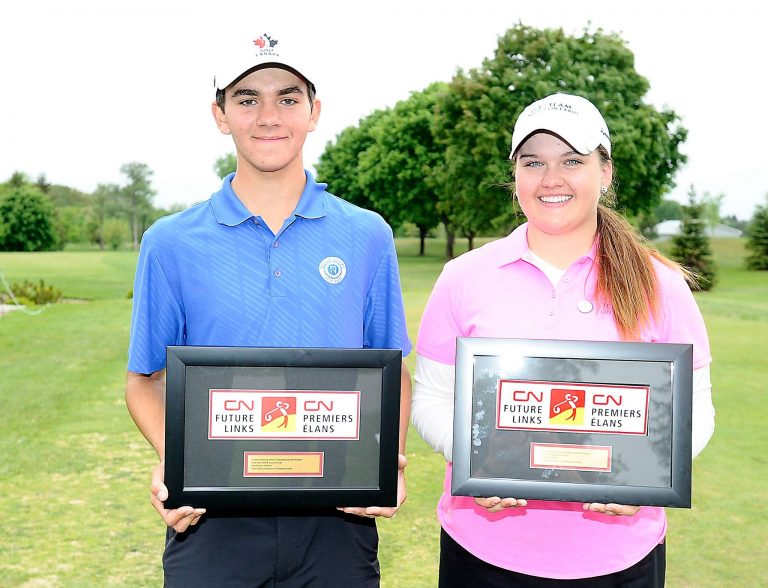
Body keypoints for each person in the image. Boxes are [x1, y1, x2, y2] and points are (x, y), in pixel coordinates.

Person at [125, 31, 412, 587]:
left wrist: (386, 465)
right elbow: (145, 381)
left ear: (314, 111)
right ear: (220, 114)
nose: (268, 115)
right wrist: (179, 462)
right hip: (213, 521)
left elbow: (391, 372)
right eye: (247, 98)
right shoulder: (170, 241)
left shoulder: (367, 234)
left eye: (287, 97)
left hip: (337, 520)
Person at [412, 93, 715, 587]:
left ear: (605, 172)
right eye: (533, 162)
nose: (551, 178)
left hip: (620, 559)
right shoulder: (464, 277)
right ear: (516, 178)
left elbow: (696, 408)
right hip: (483, 554)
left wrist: (648, 478)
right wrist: (474, 456)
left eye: (572, 160)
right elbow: (432, 397)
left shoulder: (659, 282)